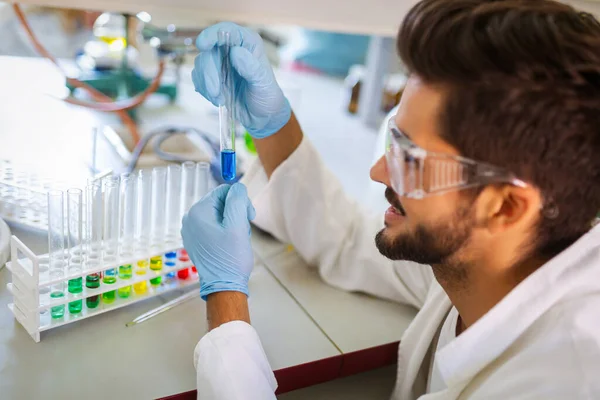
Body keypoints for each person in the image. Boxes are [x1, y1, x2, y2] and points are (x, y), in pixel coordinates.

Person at [184, 1, 600, 398]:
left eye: (411, 159)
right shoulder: (491, 255)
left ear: (506, 207)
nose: (378, 171)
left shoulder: (563, 380)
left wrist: (225, 301)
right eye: (393, 137)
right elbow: (346, 239)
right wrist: (271, 123)